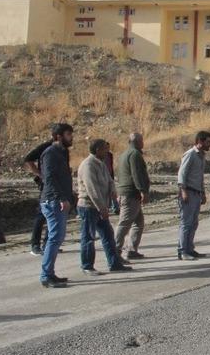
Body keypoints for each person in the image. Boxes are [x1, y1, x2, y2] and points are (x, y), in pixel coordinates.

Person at [77, 140, 131, 275]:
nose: (107, 152)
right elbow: (92, 189)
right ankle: (87, 266)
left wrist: (113, 192)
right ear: (96, 150)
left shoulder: (101, 164)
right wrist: (101, 207)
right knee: (88, 237)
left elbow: (109, 180)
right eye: (104, 150)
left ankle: (114, 264)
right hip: (89, 206)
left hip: (101, 206)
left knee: (108, 235)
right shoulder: (88, 165)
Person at [38, 123, 75, 289]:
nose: (71, 137)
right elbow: (50, 178)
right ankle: (46, 275)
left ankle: (50, 273)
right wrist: (61, 197)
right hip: (53, 201)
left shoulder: (62, 152)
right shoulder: (50, 153)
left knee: (58, 238)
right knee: (54, 238)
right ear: (59, 136)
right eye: (68, 134)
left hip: (59, 199)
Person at [177, 131, 210, 261]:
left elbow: (200, 177)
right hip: (188, 192)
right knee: (185, 223)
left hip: (196, 192)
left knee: (193, 222)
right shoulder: (190, 154)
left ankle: (190, 248)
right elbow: (182, 174)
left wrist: (203, 193)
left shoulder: (201, 156)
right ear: (200, 142)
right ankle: (183, 251)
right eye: (208, 142)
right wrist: (183, 191)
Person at [115, 132, 150, 261]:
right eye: (142, 140)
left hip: (127, 192)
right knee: (125, 222)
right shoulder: (134, 154)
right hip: (130, 193)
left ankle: (131, 249)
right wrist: (143, 191)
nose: (143, 143)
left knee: (138, 222)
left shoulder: (124, 154)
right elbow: (137, 174)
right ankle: (115, 250)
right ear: (137, 142)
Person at [24, 134, 57, 255]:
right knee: (42, 214)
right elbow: (28, 159)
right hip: (46, 186)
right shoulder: (46, 147)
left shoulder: (62, 150)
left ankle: (49, 243)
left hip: (57, 186)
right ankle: (35, 244)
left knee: (54, 215)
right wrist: (40, 174)